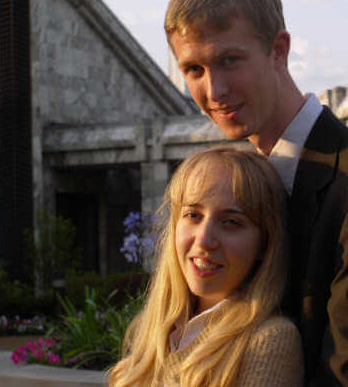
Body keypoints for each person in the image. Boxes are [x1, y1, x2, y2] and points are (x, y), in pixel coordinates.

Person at [165, 0, 348, 386]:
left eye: (229, 60)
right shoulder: (244, 184)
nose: (214, 91)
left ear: (279, 50)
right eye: (194, 70)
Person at [109, 148, 304, 387]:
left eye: (231, 222)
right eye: (193, 215)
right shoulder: (156, 336)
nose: (204, 240)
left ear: (265, 243)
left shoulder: (268, 340)